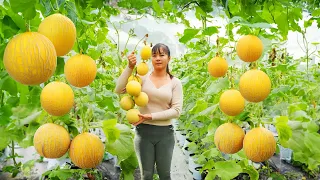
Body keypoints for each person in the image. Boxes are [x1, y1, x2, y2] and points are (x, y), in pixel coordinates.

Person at [115, 43, 183, 180]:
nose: (158, 58)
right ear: (150, 59)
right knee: (146, 175)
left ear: (169, 58)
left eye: (162, 55)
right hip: (143, 132)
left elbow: (176, 111)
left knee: (165, 175)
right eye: (154, 55)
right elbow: (119, 89)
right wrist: (130, 67)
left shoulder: (175, 82)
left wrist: (150, 116)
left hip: (165, 134)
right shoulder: (142, 78)